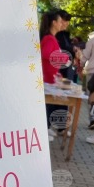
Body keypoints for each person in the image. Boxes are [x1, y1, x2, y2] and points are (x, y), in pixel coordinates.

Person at [40, 10, 69, 140]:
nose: (62, 23)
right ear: (54, 23)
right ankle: (43, 130)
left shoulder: (51, 38)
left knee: (50, 105)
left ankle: (46, 128)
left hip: (51, 78)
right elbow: (46, 54)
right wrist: (64, 58)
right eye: (60, 21)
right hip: (46, 79)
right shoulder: (49, 38)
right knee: (47, 105)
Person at [55, 10, 76, 82]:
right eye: (65, 20)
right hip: (58, 73)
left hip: (65, 71)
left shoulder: (64, 35)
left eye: (68, 20)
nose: (67, 23)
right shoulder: (53, 36)